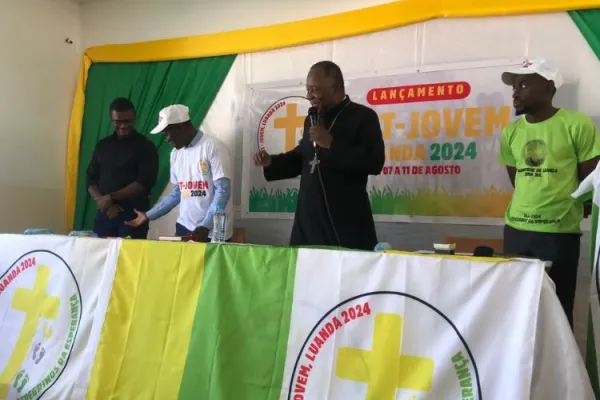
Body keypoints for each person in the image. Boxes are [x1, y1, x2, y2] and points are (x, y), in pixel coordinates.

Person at [499, 59, 600, 327]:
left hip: (559, 233)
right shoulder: (510, 132)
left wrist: (573, 206)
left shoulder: (577, 125)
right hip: (517, 230)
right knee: (516, 309)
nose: (515, 93)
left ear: (549, 88)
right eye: (513, 86)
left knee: (558, 311)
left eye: (523, 85)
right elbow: (517, 179)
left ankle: (558, 370)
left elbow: (590, 180)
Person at [253, 61, 385, 250]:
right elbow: (303, 157)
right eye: (307, 89)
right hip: (308, 221)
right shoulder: (312, 119)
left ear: (335, 86)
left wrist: (332, 144)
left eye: (314, 89)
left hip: (345, 222)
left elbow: (374, 163)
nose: (308, 96)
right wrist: (271, 161)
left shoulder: (364, 117)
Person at [126, 104, 233, 242]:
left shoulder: (212, 146)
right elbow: (177, 193)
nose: (167, 139)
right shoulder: (175, 154)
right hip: (184, 227)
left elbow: (223, 190)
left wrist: (205, 226)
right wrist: (148, 215)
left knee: (211, 264)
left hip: (212, 231)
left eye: (167, 133)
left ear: (181, 127)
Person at [86, 98, 158, 239]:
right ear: (112, 120)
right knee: (100, 258)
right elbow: (90, 178)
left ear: (134, 118)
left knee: (129, 259)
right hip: (105, 213)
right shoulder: (103, 145)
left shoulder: (146, 146)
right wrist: (103, 202)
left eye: (127, 121)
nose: (123, 126)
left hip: (134, 214)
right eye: (118, 122)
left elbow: (144, 183)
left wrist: (110, 197)